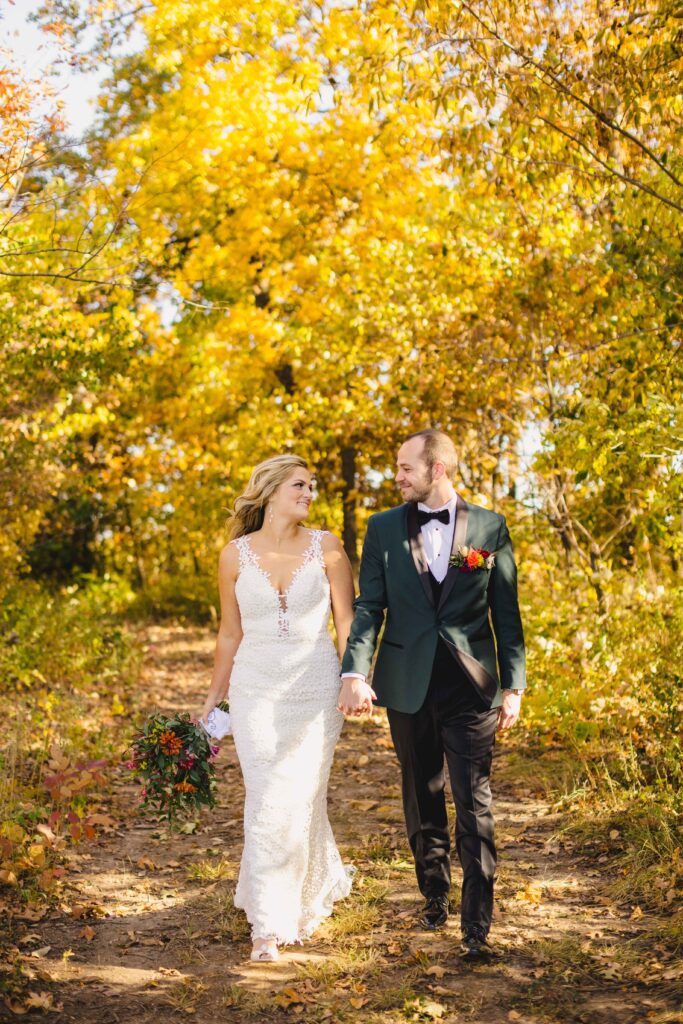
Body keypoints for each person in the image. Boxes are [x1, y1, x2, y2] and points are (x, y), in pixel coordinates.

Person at [339, 428, 526, 959]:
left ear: (437, 469)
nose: (396, 477)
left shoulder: (490, 527)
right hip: (406, 683)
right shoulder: (381, 529)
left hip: (472, 688)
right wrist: (355, 671)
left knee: (475, 802)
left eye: (405, 468)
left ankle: (476, 926)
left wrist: (514, 685)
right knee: (422, 795)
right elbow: (369, 607)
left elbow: (506, 613)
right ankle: (434, 896)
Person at [201, 454, 362, 962]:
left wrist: (354, 678)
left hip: (315, 688)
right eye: (299, 485)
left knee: (301, 794)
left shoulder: (328, 547)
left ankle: (304, 891)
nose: (309, 494)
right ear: (270, 490)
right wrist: (211, 699)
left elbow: (346, 620)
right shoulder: (234, 555)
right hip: (255, 689)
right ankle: (268, 925)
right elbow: (230, 632)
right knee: (269, 795)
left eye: (311, 487)